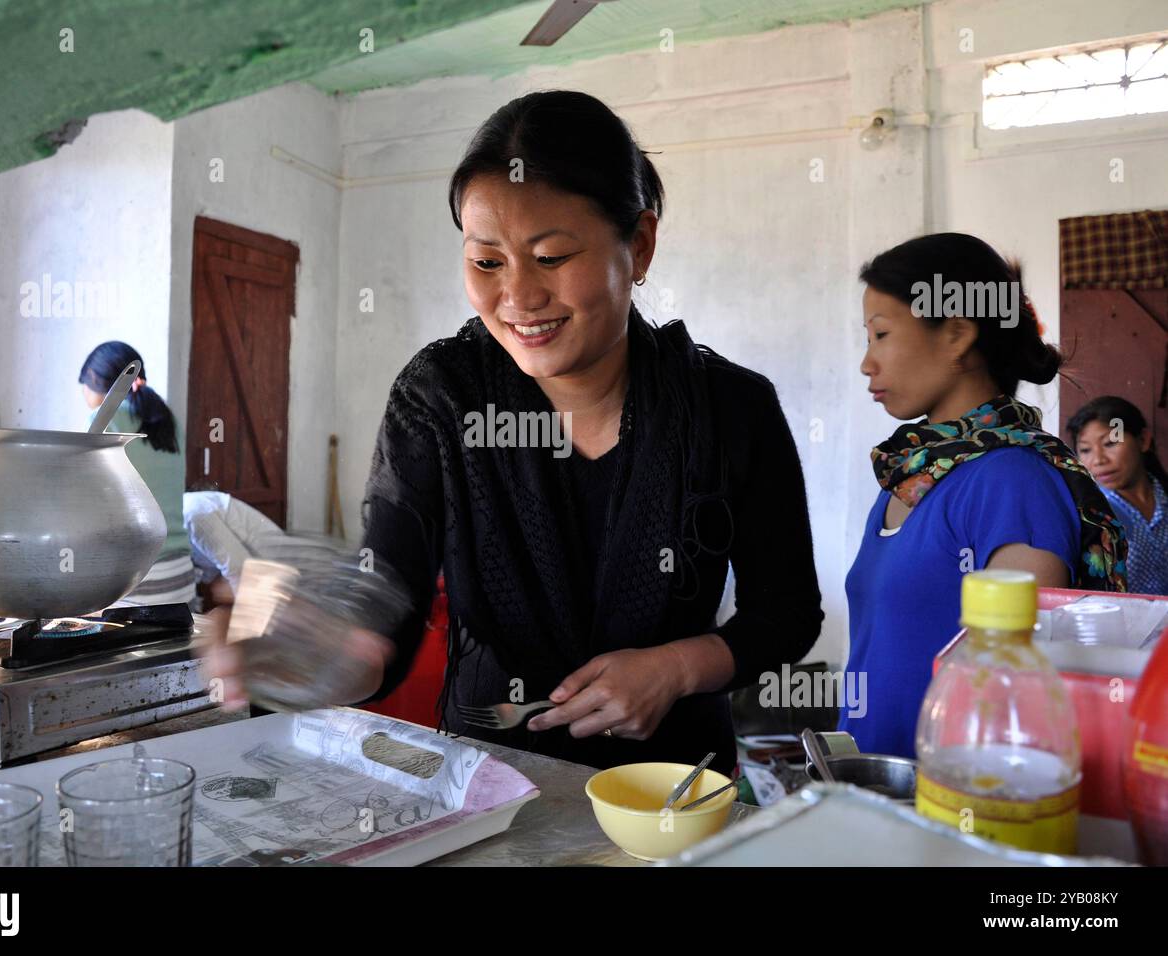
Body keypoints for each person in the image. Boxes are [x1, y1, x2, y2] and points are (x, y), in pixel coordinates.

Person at [204, 90, 823, 772]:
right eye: (487, 262)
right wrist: (312, 650)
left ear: (638, 246)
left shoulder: (730, 407)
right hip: (492, 786)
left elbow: (787, 613)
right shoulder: (439, 396)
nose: (519, 299)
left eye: (552, 257)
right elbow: (388, 607)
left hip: (674, 790)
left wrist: (676, 667)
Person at [842, 233, 1127, 758]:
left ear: (956, 334)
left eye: (881, 334)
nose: (867, 362)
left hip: (953, 808)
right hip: (874, 795)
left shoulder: (1015, 483)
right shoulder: (910, 479)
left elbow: (1012, 692)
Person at [79, 341, 196, 606]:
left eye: (83, 385)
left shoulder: (102, 420)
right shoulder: (167, 419)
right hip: (181, 581)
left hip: (134, 587)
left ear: (95, 381)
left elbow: (84, 503)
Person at [1069, 396, 1168, 596]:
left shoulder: (1164, 499)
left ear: (1143, 440)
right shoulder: (1089, 516)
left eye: (1110, 443)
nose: (1098, 460)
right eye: (1086, 450)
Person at [183, 489, 291, 608]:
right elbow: (211, 570)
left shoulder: (193, 515)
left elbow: (239, 570)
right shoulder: (185, 515)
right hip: (265, 578)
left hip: (280, 575)